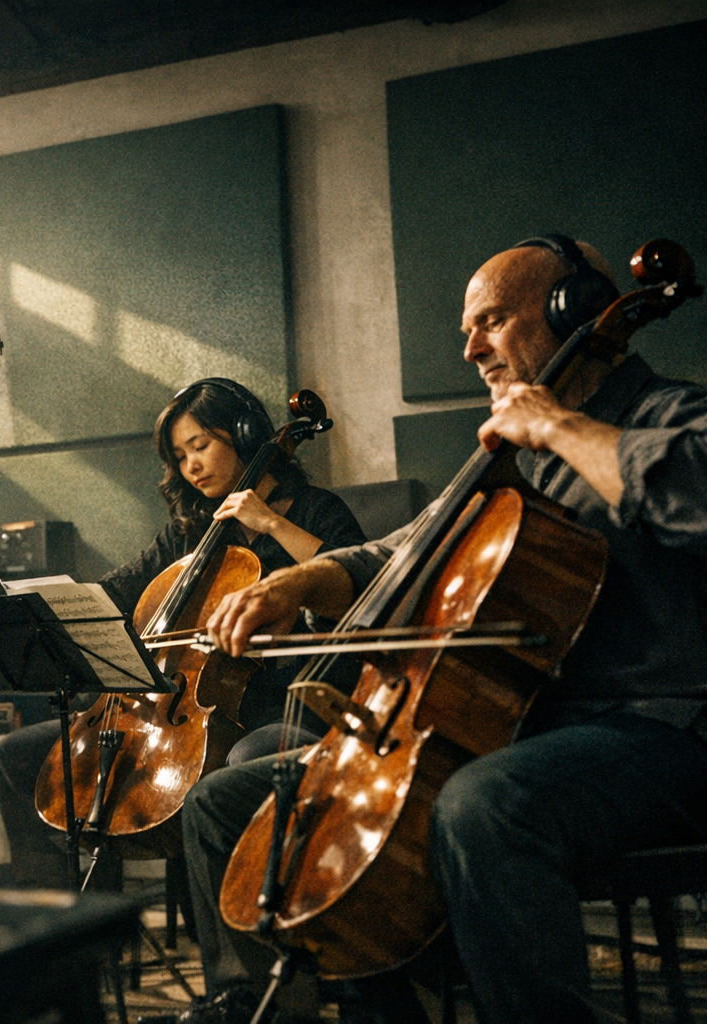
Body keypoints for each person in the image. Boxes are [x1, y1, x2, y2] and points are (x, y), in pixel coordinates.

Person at [169, 236, 707, 1024]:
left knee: (483, 803)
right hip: (517, 725)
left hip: (659, 727)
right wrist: (301, 580)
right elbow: (400, 550)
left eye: (491, 321)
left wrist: (560, 427)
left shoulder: (669, 414)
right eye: (467, 330)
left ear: (575, 310)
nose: (470, 349)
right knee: (228, 801)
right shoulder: (510, 457)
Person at [0, 378, 366, 887]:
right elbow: (116, 591)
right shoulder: (191, 529)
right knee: (16, 755)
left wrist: (271, 524)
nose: (191, 465)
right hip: (177, 711)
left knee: (239, 764)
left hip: (275, 701)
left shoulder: (317, 511)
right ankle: (69, 921)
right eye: (180, 455)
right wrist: (38, 604)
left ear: (244, 435)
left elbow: (358, 586)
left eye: (200, 445)